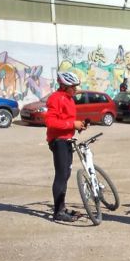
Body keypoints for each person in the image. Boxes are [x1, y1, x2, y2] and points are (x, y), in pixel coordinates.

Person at [45, 71, 88, 222]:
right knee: (61, 175)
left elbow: (67, 120)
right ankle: (58, 212)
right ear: (64, 86)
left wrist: (78, 126)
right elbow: (50, 122)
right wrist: (72, 124)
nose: (76, 89)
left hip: (67, 139)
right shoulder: (55, 98)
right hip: (58, 141)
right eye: (73, 87)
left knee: (66, 174)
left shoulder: (69, 99)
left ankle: (62, 207)